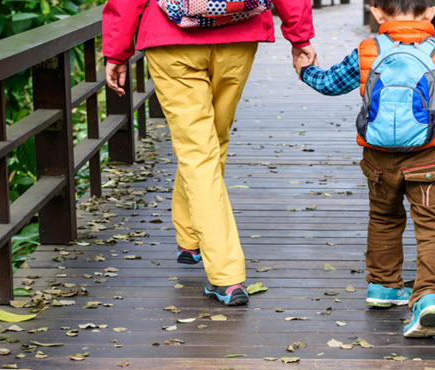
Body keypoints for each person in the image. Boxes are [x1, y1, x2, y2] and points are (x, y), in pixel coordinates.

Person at [103, 0, 316, 306]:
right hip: (237, 36)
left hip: (170, 41)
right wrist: (300, 37)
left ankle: (226, 276)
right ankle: (190, 237)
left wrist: (117, 49)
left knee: (198, 151)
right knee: (212, 142)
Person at [294, 0, 435, 337]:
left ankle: (383, 286)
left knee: (384, 217)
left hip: (379, 157)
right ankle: (428, 296)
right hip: (432, 154)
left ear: (377, 12)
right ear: (430, 12)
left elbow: (330, 83)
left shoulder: (368, 49)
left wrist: (306, 70)